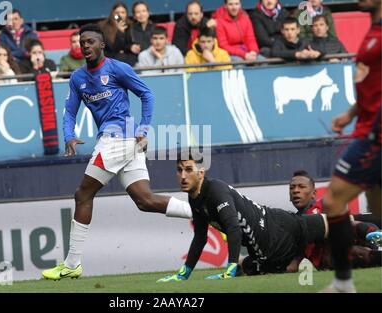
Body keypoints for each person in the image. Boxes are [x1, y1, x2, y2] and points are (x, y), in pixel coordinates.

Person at [41, 24, 193, 280]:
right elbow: (69, 111)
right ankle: (203, 212)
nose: (85, 45)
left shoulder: (117, 68)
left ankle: (72, 263)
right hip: (121, 142)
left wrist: (145, 126)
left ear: (101, 45)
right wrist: (68, 135)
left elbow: (147, 94)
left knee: (82, 194)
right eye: (82, 42)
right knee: (145, 200)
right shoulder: (78, 78)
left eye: (90, 42)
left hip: (118, 139)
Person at [157, 152, 328, 281]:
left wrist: (229, 268)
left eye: (188, 169)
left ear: (201, 173)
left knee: (341, 225)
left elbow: (233, 228)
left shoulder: (216, 191)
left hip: (278, 228)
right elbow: (200, 237)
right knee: (249, 267)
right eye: (179, 170)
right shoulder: (195, 198)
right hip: (265, 254)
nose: (183, 176)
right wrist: (184, 273)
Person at [321, 0, 381, 293]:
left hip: (374, 137)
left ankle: (343, 284)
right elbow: (374, 88)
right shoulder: (374, 30)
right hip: (367, 130)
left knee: (333, 200)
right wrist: (351, 113)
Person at [287, 170, 381, 273]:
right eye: (292, 188)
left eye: (301, 187)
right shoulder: (295, 224)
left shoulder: (324, 205)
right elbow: (294, 263)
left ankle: (377, 244)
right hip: (329, 261)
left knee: (363, 227)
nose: (295, 191)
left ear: (313, 193)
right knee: (355, 250)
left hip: (346, 245)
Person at [98, 2, 137, 66]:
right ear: (112, 14)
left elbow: (127, 45)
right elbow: (112, 48)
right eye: (117, 13)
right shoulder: (103, 27)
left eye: (123, 12)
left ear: (126, 14)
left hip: (126, 59)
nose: (120, 15)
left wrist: (130, 47)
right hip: (110, 58)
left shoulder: (130, 25)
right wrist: (120, 32)